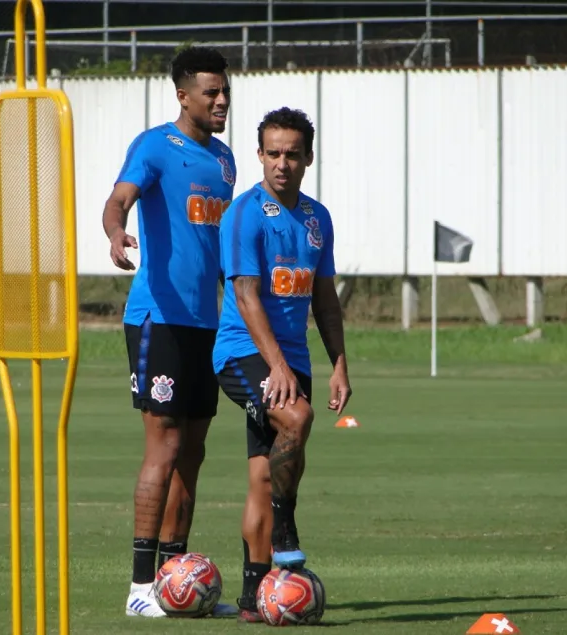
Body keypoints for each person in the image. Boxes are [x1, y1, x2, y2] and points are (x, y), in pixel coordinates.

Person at [101, 46, 238, 618]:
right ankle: (139, 590)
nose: (222, 100)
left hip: (208, 323)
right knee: (166, 444)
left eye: (225, 91)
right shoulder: (155, 145)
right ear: (183, 96)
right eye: (211, 92)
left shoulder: (227, 159)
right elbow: (119, 200)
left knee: (195, 453)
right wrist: (115, 234)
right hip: (159, 319)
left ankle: (176, 583)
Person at [212, 107, 352, 622]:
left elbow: (326, 300)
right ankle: (287, 530)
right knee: (297, 418)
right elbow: (246, 297)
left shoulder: (319, 218)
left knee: (263, 478)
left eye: (293, 154)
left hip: (292, 360)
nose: (282, 164)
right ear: (259, 156)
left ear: (308, 158)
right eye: (273, 153)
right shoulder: (244, 213)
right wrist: (277, 367)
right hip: (242, 353)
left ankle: (253, 599)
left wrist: (338, 364)